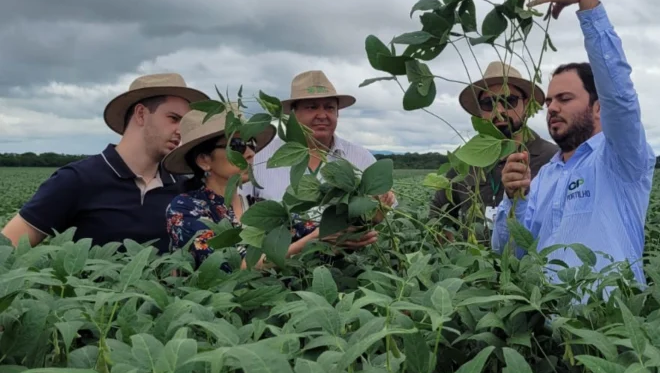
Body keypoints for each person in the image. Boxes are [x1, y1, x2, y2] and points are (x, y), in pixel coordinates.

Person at [493, 0, 657, 285]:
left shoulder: (620, 159)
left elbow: (620, 96)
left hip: (609, 326)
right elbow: (511, 254)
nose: (552, 107)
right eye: (549, 101)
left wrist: (587, 2)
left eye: (565, 99)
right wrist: (513, 200)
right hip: (548, 325)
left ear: (598, 107)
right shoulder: (544, 176)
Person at [2, 73, 208, 251]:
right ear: (141, 114)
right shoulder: (78, 180)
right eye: (173, 118)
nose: (181, 130)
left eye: (185, 122)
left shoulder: (183, 186)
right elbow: (7, 247)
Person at [240, 70, 394, 252]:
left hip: (351, 265)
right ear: (293, 114)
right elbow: (243, 217)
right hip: (280, 270)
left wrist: (376, 213)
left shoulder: (360, 158)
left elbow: (384, 215)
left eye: (329, 108)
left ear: (338, 114)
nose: (322, 115)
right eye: (312, 107)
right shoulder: (261, 158)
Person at [164, 104, 320, 270]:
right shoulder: (184, 209)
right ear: (204, 160)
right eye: (237, 145)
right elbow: (230, 267)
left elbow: (308, 229)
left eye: (251, 143)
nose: (250, 153)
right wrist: (309, 242)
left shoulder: (258, 206)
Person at [430, 61, 558, 241]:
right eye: (488, 103)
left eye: (509, 101)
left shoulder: (553, 158)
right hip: (476, 267)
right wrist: (456, 261)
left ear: (526, 106)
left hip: (532, 267)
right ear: (480, 112)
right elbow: (438, 214)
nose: (499, 111)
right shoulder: (466, 160)